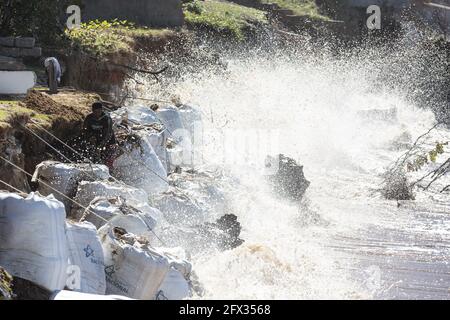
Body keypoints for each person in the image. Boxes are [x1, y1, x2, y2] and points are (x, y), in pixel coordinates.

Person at [82, 102, 117, 168]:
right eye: (95, 111)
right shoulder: (89, 118)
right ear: (92, 111)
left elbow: (108, 134)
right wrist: (90, 137)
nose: (97, 113)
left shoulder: (107, 119)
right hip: (95, 137)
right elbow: (85, 130)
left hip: (107, 139)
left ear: (101, 110)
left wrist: (100, 147)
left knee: (107, 154)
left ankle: (109, 169)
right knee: (90, 151)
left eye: (99, 111)